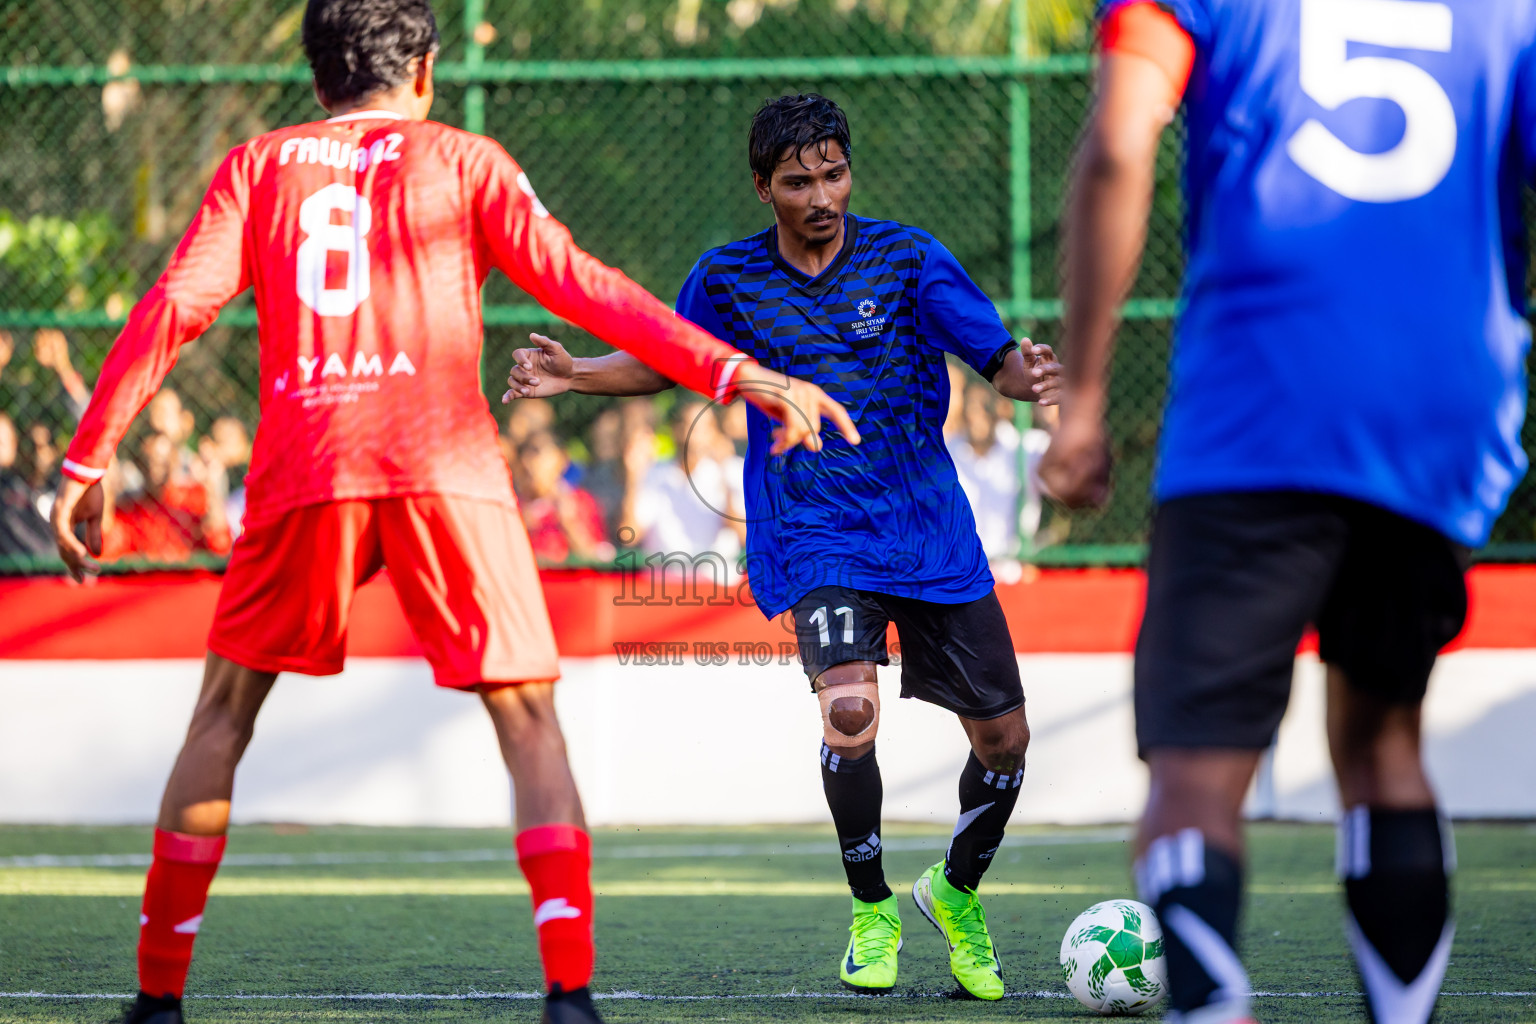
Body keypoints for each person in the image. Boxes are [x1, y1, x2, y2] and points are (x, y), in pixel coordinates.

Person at [47, 3, 857, 1022]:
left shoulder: (259, 166)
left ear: (318, 73)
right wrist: (735, 369)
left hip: (309, 461)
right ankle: (569, 994)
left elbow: (174, 305)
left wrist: (87, 453)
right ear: (423, 68)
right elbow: (583, 285)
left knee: (221, 717)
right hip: (447, 465)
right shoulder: (464, 160)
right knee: (529, 722)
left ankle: (157, 1000)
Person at [1039, 3, 1535, 1022]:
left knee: (1194, 767)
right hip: (1441, 410)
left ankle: (1214, 1005)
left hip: (1257, 405)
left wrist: (1081, 400)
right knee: (1386, 740)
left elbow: (1118, 149)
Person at [506, 93, 1063, 999]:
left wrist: (1025, 373)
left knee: (1005, 741)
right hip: (814, 530)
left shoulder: (911, 259)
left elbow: (994, 354)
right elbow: (671, 357)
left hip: (928, 533)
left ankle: (955, 893)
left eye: (834, 174)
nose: (821, 195)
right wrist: (573, 373)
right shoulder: (727, 279)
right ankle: (873, 908)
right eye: (798, 180)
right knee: (849, 711)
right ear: (763, 186)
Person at [516, 430, 613, 564]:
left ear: (561, 459)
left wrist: (568, 523)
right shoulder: (513, 506)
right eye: (523, 453)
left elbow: (597, 559)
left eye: (536, 452)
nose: (528, 462)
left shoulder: (581, 502)